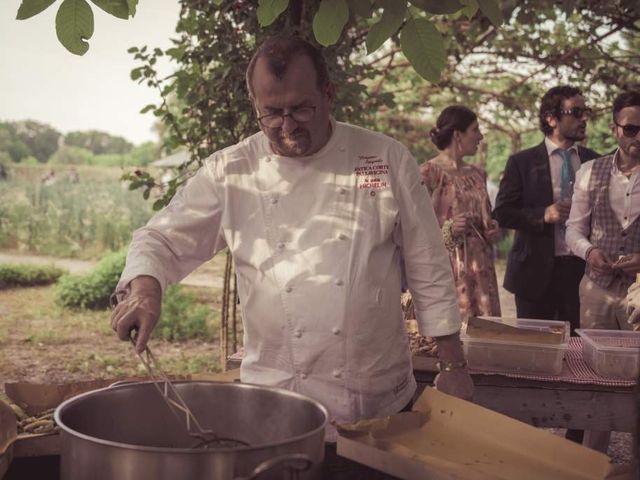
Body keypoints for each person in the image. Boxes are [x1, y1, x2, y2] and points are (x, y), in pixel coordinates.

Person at [110, 35, 473, 479]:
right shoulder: (232, 170)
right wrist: (145, 289)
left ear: (329, 94)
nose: (287, 125)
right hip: (273, 408)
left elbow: (427, 264)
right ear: (254, 104)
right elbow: (160, 238)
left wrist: (453, 363)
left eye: (301, 109)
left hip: (376, 402)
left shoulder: (383, 158)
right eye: (272, 112)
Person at [565, 91, 640, 452]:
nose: (638, 137)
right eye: (631, 129)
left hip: (639, 293)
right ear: (614, 129)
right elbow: (572, 229)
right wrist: (589, 251)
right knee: (595, 378)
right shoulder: (588, 172)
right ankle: (590, 463)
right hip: (595, 288)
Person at [494, 86, 600, 333]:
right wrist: (543, 214)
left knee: (577, 351)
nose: (583, 118)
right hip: (534, 275)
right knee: (534, 352)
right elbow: (502, 212)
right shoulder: (521, 162)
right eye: (576, 112)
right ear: (551, 118)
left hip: (582, 273)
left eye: (586, 111)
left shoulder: (595, 162)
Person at [420, 106, 502, 321]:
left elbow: (487, 217)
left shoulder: (478, 174)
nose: (480, 136)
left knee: (485, 331)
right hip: (448, 267)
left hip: (481, 267)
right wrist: (449, 228)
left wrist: (492, 229)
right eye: (475, 130)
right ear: (457, 134)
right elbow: (415, 229)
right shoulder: (428, 174)